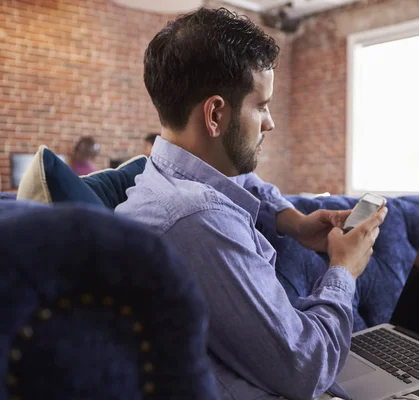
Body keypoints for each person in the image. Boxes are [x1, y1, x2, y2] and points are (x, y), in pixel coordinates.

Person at [115, 7, 386, 400]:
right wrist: (344, 269)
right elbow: (307, 369)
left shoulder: (164, 173)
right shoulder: (200, 219)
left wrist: (293, 221)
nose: (270, 122)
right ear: (215, 114)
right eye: (261, 106)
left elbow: (243, 179)